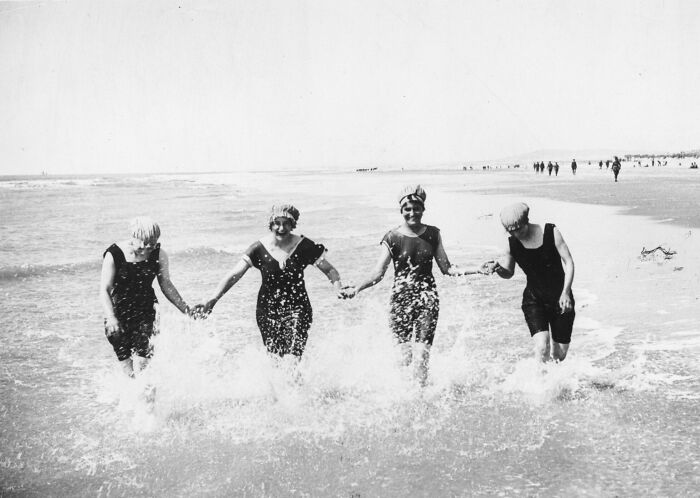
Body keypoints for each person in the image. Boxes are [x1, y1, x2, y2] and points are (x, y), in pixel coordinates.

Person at [342, 185, 487, 385]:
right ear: (401, 211)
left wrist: (477, 269)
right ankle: (403, 396)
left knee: (421, 358)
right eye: (407, 209)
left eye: (416, 208)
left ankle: (420, 397)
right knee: (404, 358)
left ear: (423, 209)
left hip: (428, 301)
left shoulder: (433, 234)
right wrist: (357, 288)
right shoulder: (392, 237)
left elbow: (447, 268)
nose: (412, 213)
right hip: (400, 301)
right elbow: (378, 273)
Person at [198, 204, 343, 359]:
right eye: (277, 223)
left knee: (292, 359)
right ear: (271, 224)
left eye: (286, 223)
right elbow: (234, 275)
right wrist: (212, 300)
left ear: (292, 225)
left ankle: (293, 382)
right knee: (275, 360)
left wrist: (338, 288)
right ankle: (285, 384)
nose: (281, 228)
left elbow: (330, 271)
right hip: (267, 310)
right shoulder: (258, 249)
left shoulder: (304, 246)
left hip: (298, 308)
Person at [483, 203, 575, 363]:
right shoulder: (511, 244)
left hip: (561, 299)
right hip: (534, 300)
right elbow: (509, 273)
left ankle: (553, 382)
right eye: (511, 230)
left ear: (527, 221)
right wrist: (498, 268)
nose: (516, 233)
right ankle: (540, 385)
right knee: (542, 347)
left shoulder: (550, 232)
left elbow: (569, 262)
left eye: (519, 229)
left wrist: (566, 292)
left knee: (559, 355)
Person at [100, 217, 192, 378]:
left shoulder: (159, 254)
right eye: (143, 242)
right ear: (133, 237)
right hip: (118, 314)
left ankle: (148, 402)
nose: (146, 247)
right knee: (129, 372)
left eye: (152, 243)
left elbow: (166, 284)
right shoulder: (114, 254)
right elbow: (104, 290)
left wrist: (185, 309)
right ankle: (134, 401)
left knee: (143, 367)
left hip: (147, 312)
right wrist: (111, 317)